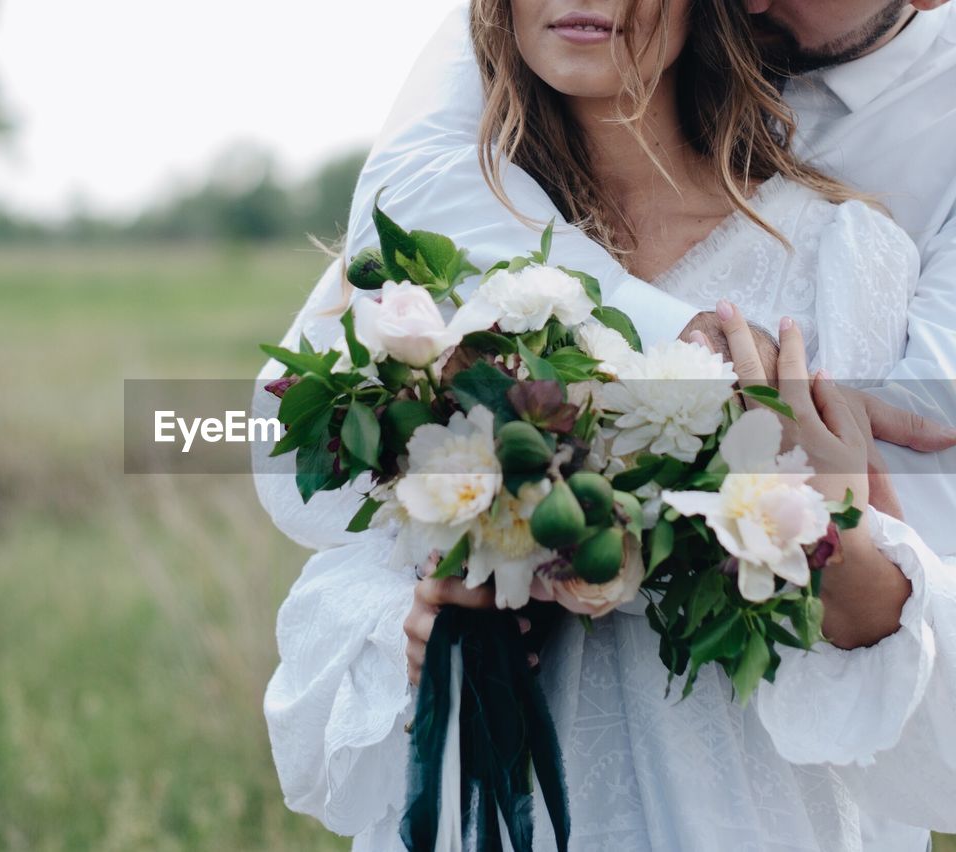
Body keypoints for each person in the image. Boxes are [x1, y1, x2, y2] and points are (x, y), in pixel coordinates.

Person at [254, 1, 956, 849]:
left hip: (750, 812)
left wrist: (830, 529)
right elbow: (333, 531)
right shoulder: (430, 249)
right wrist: (415, 622)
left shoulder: (845, 254)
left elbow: (897, 619)